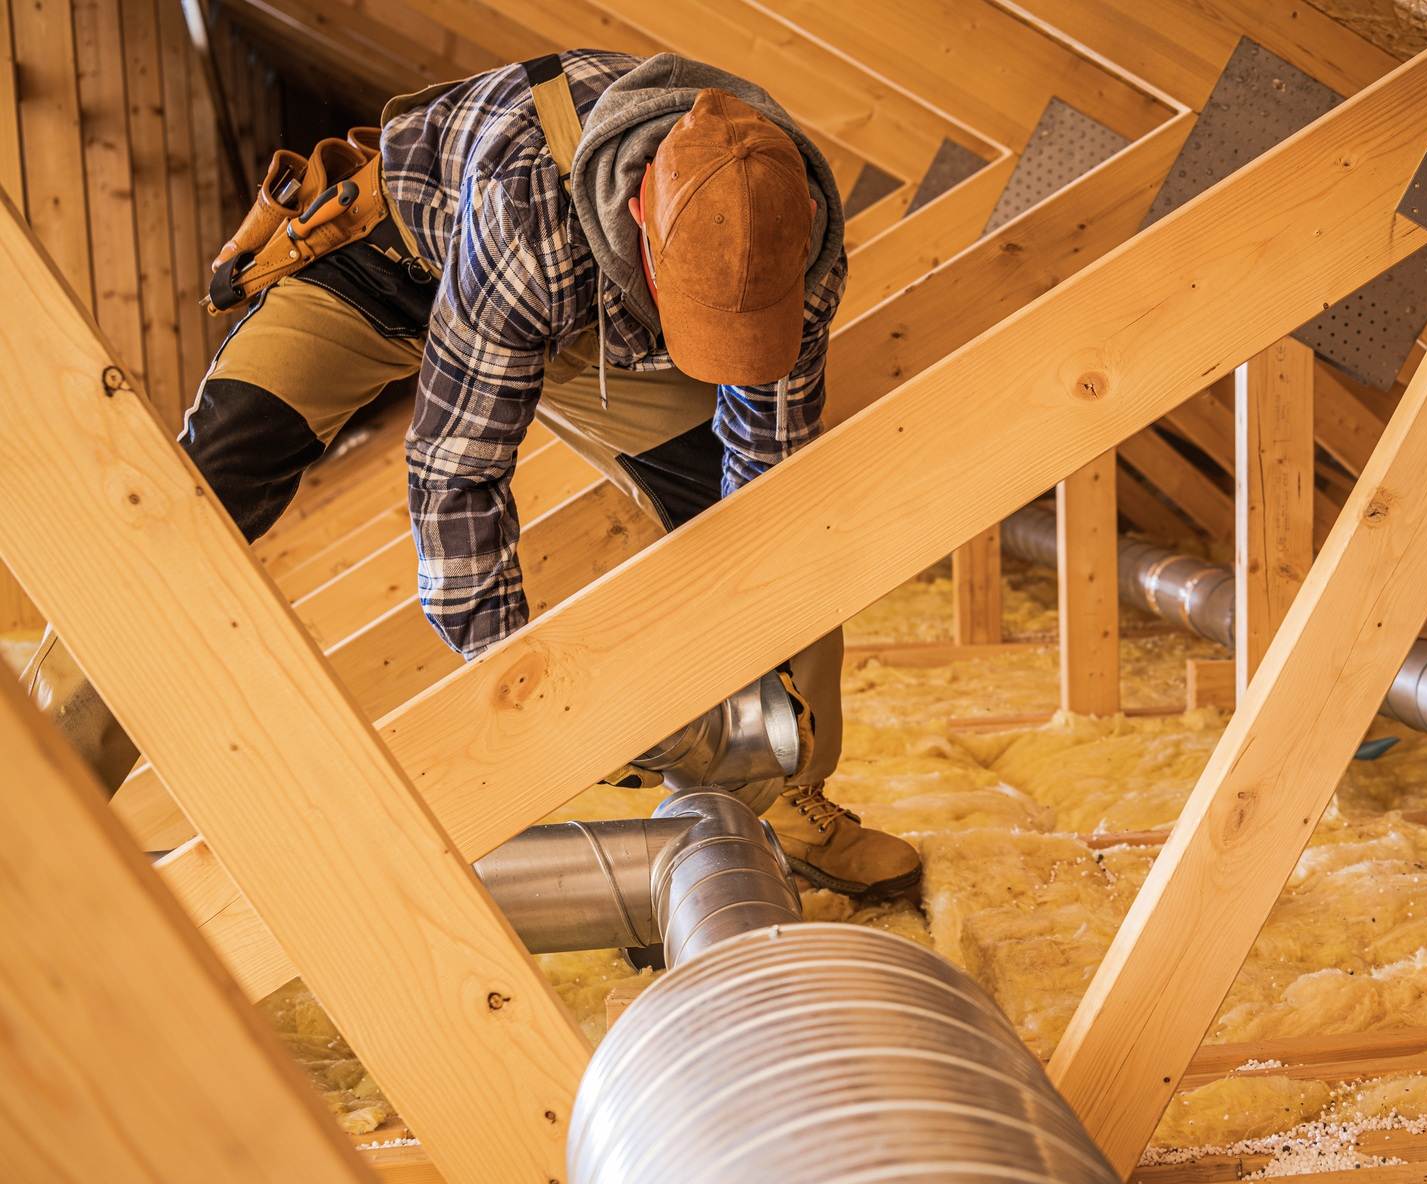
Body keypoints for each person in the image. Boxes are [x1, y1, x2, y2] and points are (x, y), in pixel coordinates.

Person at [19, 49, 921, 901]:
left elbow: (771, 477)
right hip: (382, 267)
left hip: (584, 323)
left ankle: (783, 790)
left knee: (764, 521)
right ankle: (40, 814)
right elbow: (457, 469)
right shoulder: (531, 213)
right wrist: (531, 682)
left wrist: (744, 659)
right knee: (189, 503)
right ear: (642, 218)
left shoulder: (789, 230)